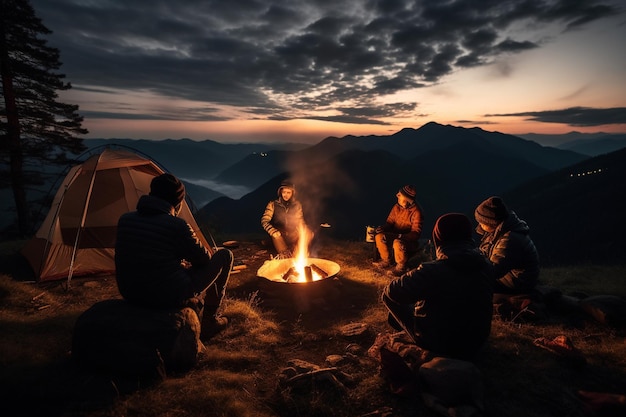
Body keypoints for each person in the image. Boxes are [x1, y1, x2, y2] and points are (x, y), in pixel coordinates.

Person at [115, 173, 233, 339]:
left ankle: (197, 308)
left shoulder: (125, 219)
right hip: (166, 294)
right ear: (177, 202)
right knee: (224, 255)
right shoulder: (177, 225)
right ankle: (210, 321)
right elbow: (204, 259)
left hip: (130, 292)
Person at [381, 213, 494, 361]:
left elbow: (392, 291)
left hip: (440, 343)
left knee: (388, 295)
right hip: (476, 342)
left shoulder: (434, 270)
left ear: (439, 238)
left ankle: (417, 333)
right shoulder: (486, 264)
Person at [474, 196, 540, 295]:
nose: (479, 225)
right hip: (510, 277)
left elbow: (494, 270)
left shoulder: (509, 239)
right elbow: (484, 253)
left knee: (475, 286)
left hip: (517, 283)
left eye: (481, 222)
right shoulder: (496, 233)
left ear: (491, 222)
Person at [372, 184, 424, 276]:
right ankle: (386, 260)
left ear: (407, 199)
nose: (397, 195)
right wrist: (382, 228)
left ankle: (401, 266)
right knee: (380, 236)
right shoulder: (396, 207)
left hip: (408, 241)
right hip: (395, 236)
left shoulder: (416, 212)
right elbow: (390, 222)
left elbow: (416, 233)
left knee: (397, 242)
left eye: (400, 195)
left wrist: (401, 237)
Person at [261, 179, 311, 258]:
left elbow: (300, 221)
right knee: (286, 255)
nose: (286, 195)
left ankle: (296, 252)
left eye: (288, 193)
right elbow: (264, 221)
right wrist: (272, 230)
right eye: (284, 192)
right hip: (278, 235)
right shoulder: (273, 204)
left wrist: (305, 230)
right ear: (280, 192)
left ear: (292, 193)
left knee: (308, 233)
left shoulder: (297, 205)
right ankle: (284, 252)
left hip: (292, 235)